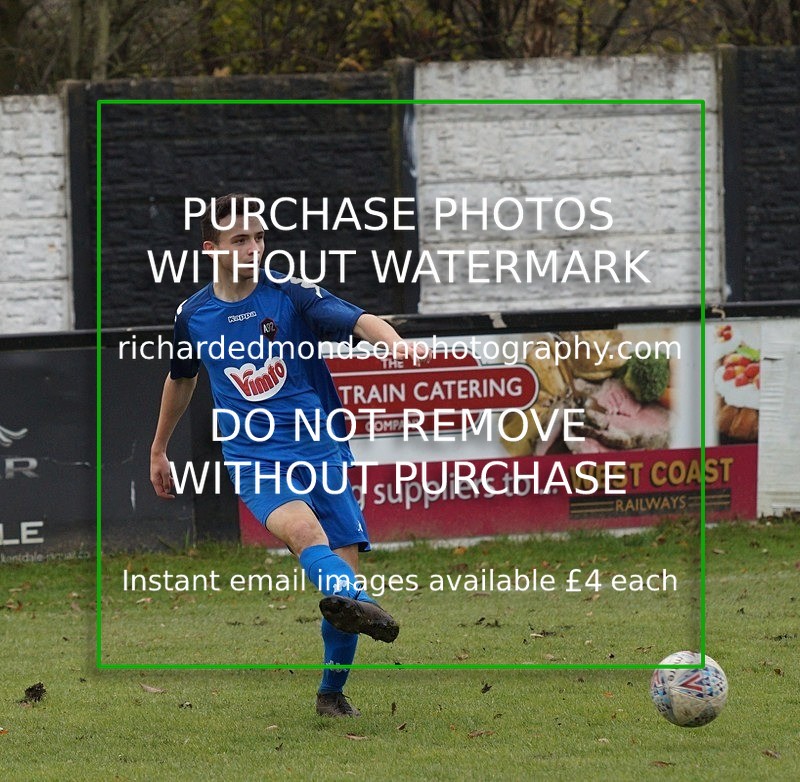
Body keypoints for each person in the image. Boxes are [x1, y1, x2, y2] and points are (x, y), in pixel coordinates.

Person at [150, 193, 428, 718]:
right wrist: (159, 448)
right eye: (240, 240)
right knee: (307, 537)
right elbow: (181, 379)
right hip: (256, 457)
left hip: (321, 449)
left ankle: (331, 691)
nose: (254, 247)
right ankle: (361, 609)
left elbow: (359, 319)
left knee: (341, 593)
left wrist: (394, 344)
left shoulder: (290, 293)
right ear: (212, 249)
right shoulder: (193, 315)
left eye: (258, 237)